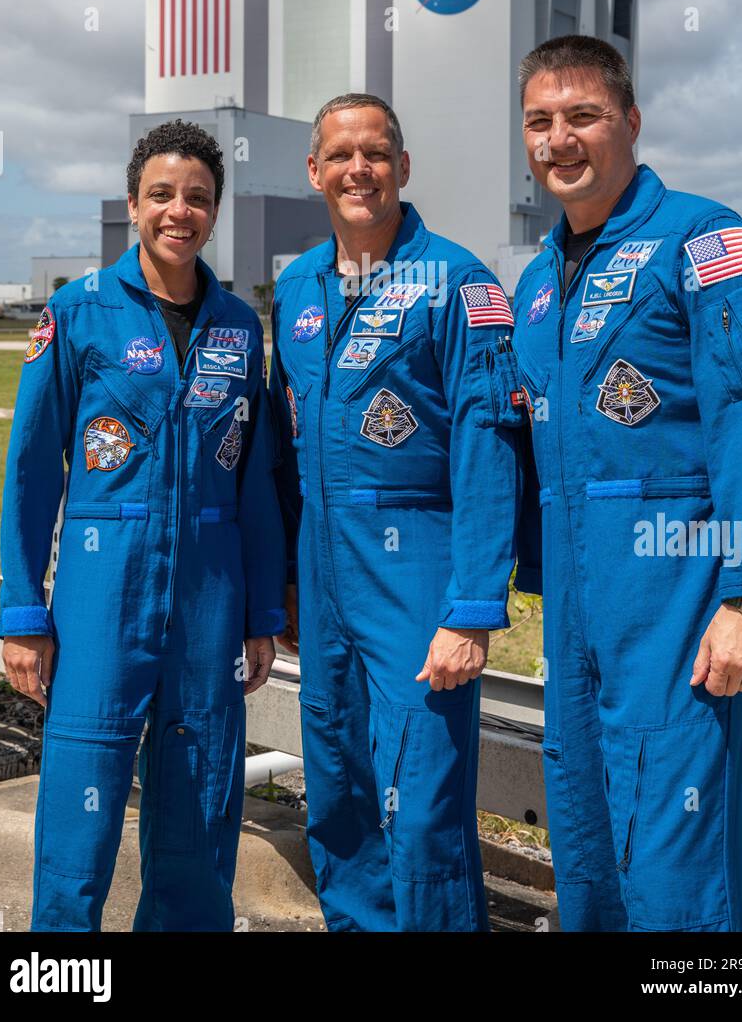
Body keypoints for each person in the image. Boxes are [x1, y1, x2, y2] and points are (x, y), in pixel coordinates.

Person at [512, 35, 742, 932]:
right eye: (540, 121)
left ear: (631, 122)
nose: (560, 140)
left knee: (675, 874)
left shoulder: (703, 239)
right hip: (573, 611)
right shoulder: (534, 284)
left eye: (584, 117)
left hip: (676, 597)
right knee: (589, 851)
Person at [0, 119, 286, 932]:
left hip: (209, 601)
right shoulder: (78, 312)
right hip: (101, 591)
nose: (178, 211)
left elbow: (254, 483)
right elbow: (27, 476)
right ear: (133, 204)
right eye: (161, 194)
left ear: (215, 211)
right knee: (80, 803)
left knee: (202, 796)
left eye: (197, 197)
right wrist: (24, 613)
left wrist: (262, 613)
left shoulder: (238, 325)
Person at [268, 93, 523, 932]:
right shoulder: (297, 285)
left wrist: (474, 604)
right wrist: (285, 584)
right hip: (322, 559)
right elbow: (282, 439)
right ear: (314, 172)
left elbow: (488, 447)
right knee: (337, 782)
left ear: (403, 168)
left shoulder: (457, 281)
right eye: (339, 155)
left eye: (375, 153)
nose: (358, 169)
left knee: (421, 800)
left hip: (417, 559)